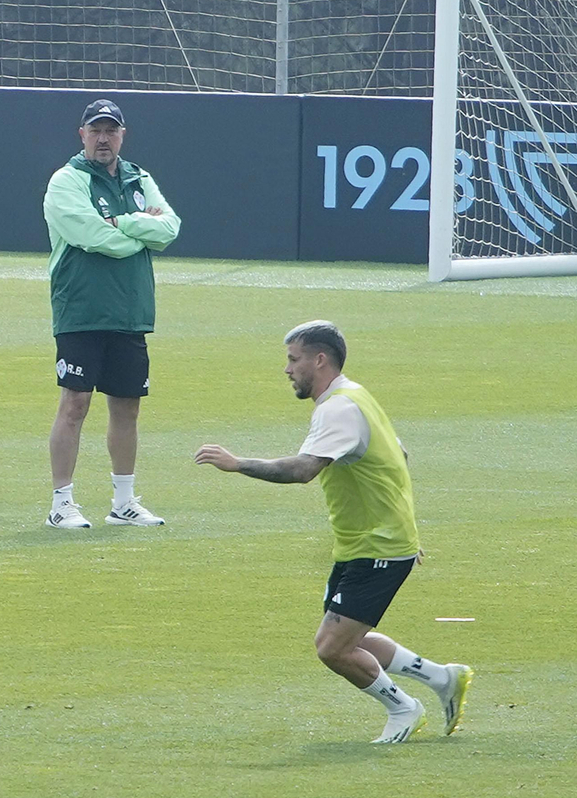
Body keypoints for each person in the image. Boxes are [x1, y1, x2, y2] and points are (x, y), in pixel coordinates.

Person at [194, 321, 473, 743]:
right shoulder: (354, 395)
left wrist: (237, 463)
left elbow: (303, 470)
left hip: (377, 548)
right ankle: (442, 678)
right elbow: (399, 453)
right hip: (367, 542)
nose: (287, 369)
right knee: (349, 635)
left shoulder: (337, 409)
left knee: (332, 647)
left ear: (319, 359)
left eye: (293, 359)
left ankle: (403, 708)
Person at [41, 98, 181, 529]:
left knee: (127, 405)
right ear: (82, 135)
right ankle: (61, 503)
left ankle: (123, 502)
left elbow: (170, 228)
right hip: (81, 305)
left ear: (122, 134)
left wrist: (123, 222)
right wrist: (138, 226)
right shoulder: (67, 181)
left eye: (111, 130)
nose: (104, 138)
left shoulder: (140, 177)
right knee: (75, 403)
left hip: (129, 308)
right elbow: (92, 236)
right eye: (96, 130)